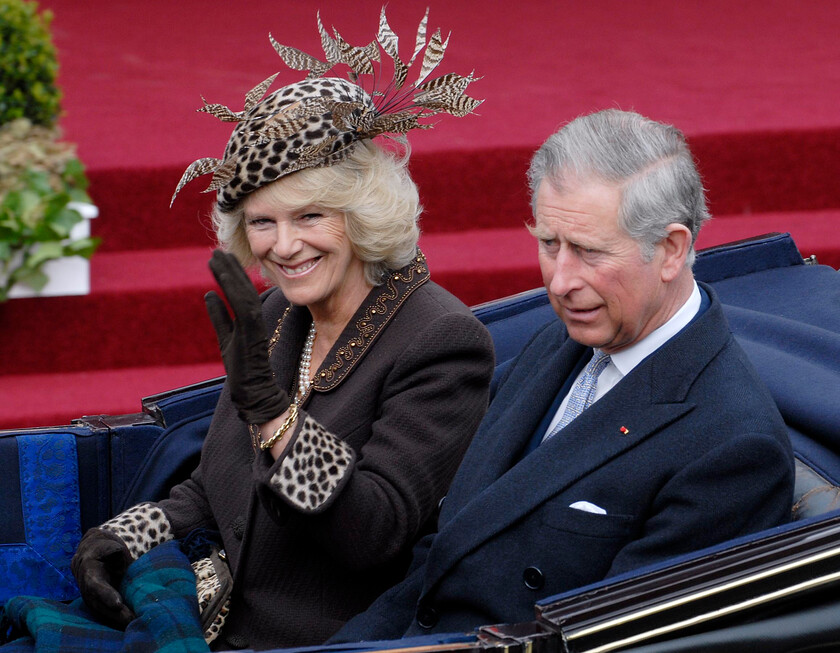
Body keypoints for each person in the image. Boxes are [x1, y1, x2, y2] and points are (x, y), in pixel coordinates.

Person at [69, 10, 494, 651]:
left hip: (312, 640)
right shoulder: (279, 316)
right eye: (263, 222)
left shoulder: (439, 341)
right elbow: (219, 488)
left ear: (362, 214)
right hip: (209, 612)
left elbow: (373, 533)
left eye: (310, 216)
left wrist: (276, 422)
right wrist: (125, 536)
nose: (285, 246)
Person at [332, 109, 795, 642]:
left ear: (670, 249)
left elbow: (614, 640)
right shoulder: (567, 336)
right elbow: (446, 547)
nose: (559, 280)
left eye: (590, 252)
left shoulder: (734, 447)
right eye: (549, 243)